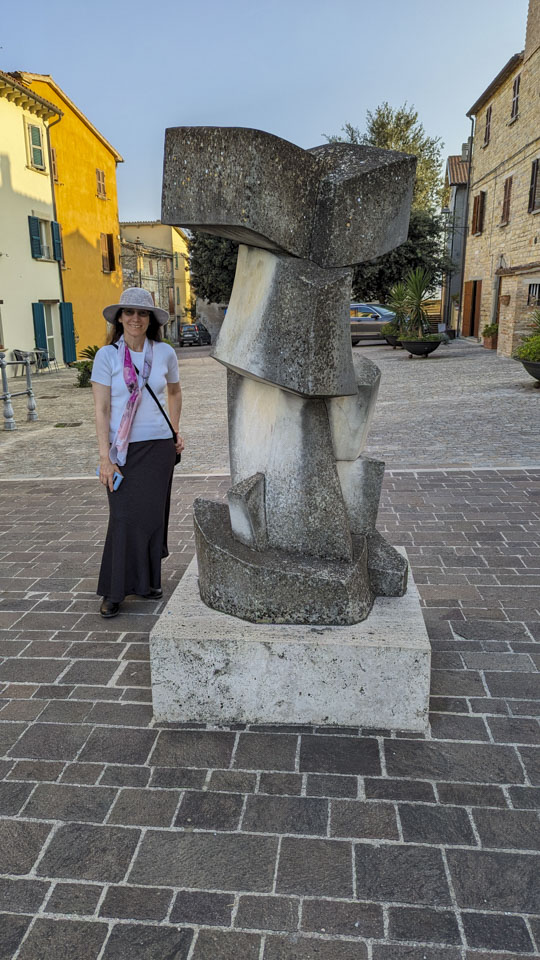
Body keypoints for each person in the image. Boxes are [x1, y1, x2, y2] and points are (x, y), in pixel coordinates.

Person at [91, 287, 184, 618]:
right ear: (119, 318)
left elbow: (175, 392)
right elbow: (102, 409)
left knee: (152, 518)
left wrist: (175, 430)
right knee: (123, 517)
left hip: (158, 448)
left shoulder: (165, 353)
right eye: (129, 312)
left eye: (142, 313)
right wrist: (105, 457)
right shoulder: (107, 356)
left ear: (150, 320)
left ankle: (148, 583)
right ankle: (115, 590)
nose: (135, 318)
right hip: (122, 451)